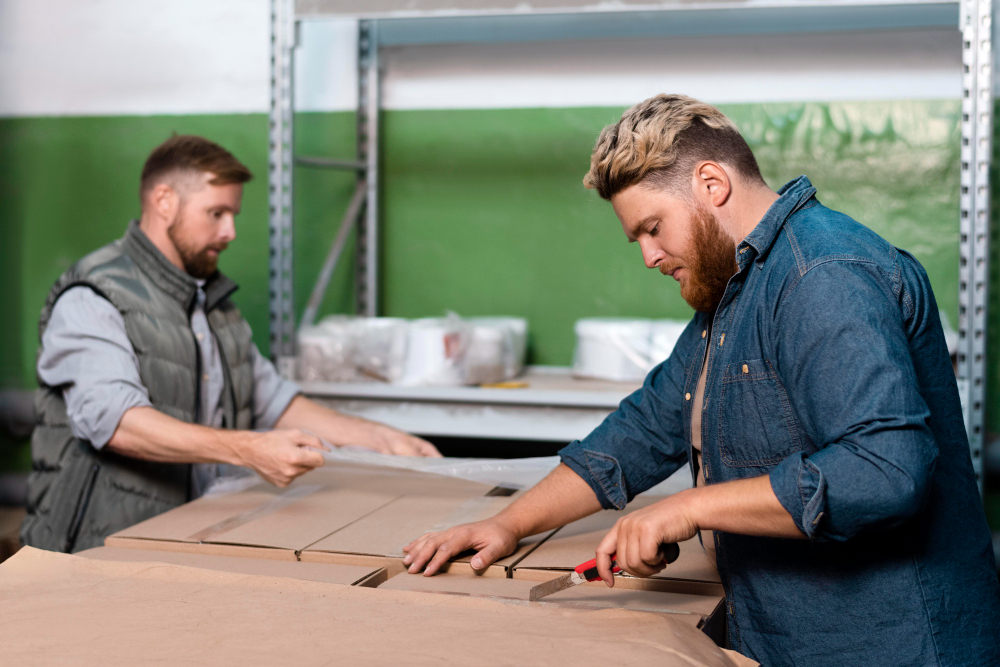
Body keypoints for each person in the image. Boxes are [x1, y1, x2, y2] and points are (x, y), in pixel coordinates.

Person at [402, 95, 1000, 665]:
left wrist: (689, 508)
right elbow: (643, 430)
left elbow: (884, 470)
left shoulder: (821, 275)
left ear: (711, 184)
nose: (648, 256)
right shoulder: (734, 290)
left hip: (889, 645)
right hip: (784, 634)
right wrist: (506, 524)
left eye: (653, 227)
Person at [22, 135, 441, 554]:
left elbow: (272, 400)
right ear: (164, 200)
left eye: (233, 215)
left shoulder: (215, 305)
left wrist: (380, 439)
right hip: (94, 549)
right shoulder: (93, 295)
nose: (230, 232)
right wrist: (248, 448)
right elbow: (117, 422)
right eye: (216, 213)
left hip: (183, 539)